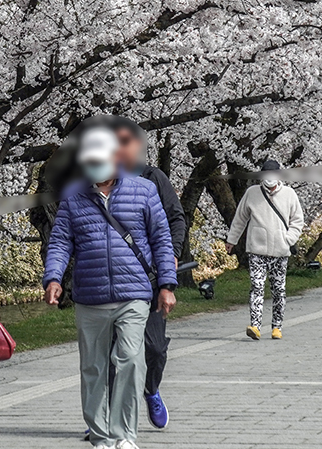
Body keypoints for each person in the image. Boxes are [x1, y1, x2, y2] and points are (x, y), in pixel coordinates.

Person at [43, 126, 177, 449]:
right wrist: (53, 278)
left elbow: (161, 238)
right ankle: (100, 435)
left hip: (134, 294)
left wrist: (167, 285)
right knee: (93, 368)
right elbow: (61, 241)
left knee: (131, 359)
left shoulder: (144, 190)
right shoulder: (74, 197)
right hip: (90, 297)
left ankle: (124, 434)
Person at [111, 118, 186, 430]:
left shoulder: (153, 177)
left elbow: (176, 219)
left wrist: (171, 256)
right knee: (110, 353)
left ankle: (151, 389)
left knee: (154, 348)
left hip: (149, 277)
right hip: (109, 279)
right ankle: (104, 415)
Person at [224, 159, 305, 340]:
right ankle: (255, 326)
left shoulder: (289, 194)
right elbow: (240, 218)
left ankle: (277, 326)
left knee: (278, 289)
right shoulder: (252, 193)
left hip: (280, 251)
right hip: (257, 250)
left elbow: (297, 221)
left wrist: (288, 239)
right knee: (257, 287)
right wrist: (232, 240)